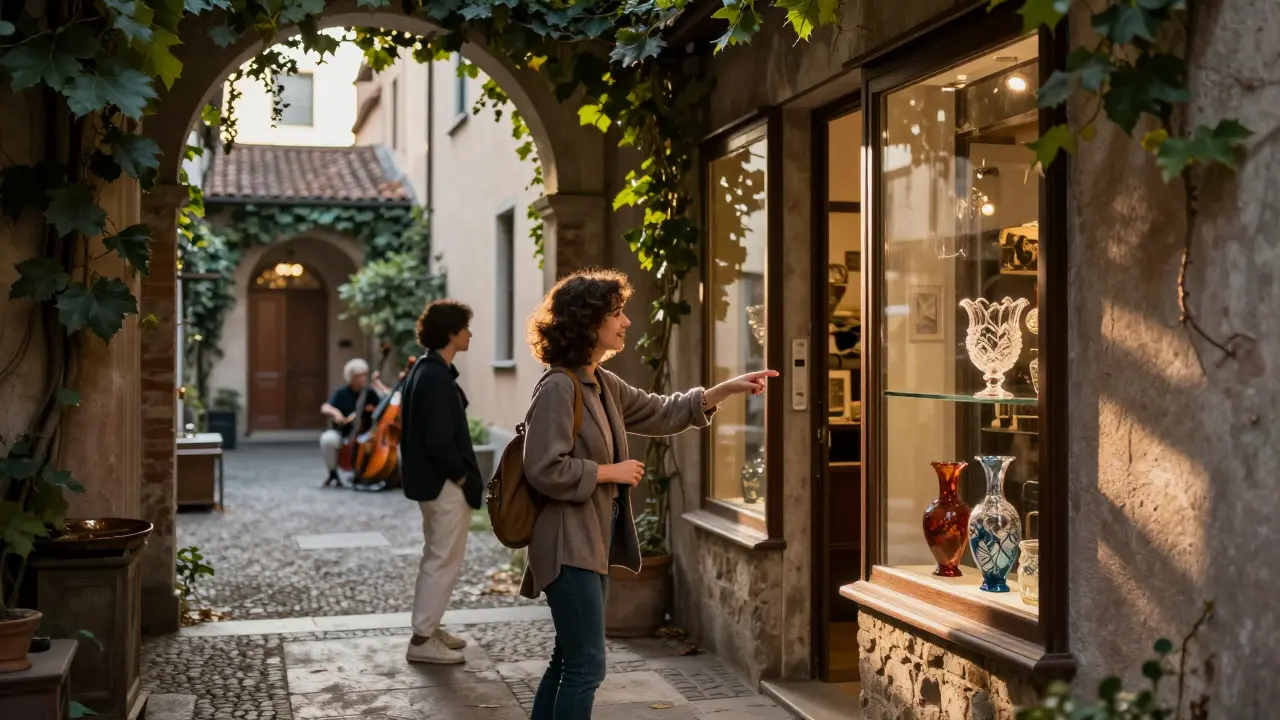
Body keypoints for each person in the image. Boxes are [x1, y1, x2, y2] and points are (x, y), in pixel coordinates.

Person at [520, 269, 776, 719]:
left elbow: (661, 411)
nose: (626, 322)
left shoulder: (598, 382)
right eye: (616, 314)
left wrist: (725, 390)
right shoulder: (560, 386)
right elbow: (542, 467)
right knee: (586, 667)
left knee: (569, 660)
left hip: (588, 545)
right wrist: (608, 471)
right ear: (587, 322)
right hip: (566, 546)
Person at [398, 299, 484, 664]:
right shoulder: (433, 375)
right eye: (465, 327)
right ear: (451, 333)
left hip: (433, 482)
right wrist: (461, 475)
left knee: (436, 556)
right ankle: (421, 640)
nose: (470, 333)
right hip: (443, 484)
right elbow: (438, 440)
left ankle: (429, 628)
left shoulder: (428, 369)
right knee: (442, 559)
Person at [319, 358, 390, 487]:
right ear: (351, 378)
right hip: (344, 433)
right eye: (359, 376)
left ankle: (370, 474)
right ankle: (333, 474)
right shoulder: (342, 393)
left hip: (367, 434)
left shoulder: (370, 393)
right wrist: (336, 414)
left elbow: (386, 402)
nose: (363, 379)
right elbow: (325, 407)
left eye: (364, 375)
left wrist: (378, 384)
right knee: (327, 439)